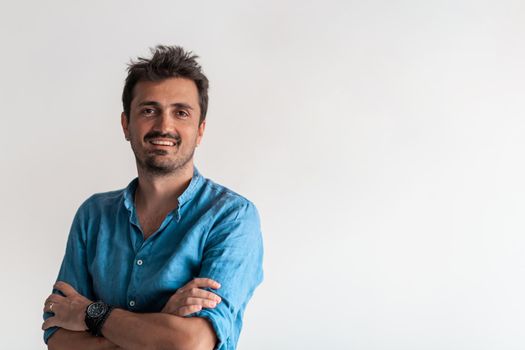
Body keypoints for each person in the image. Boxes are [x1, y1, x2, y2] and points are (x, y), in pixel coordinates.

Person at [42, 45, 264, 350]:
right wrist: (160, 326)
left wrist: (90, 314)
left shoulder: (232, 217)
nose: (164, 126)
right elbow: (57, 337)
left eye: (180, 113)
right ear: (126, 125)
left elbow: (191, 343)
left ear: (200, 131)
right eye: (149, 110)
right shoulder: (93, 215)